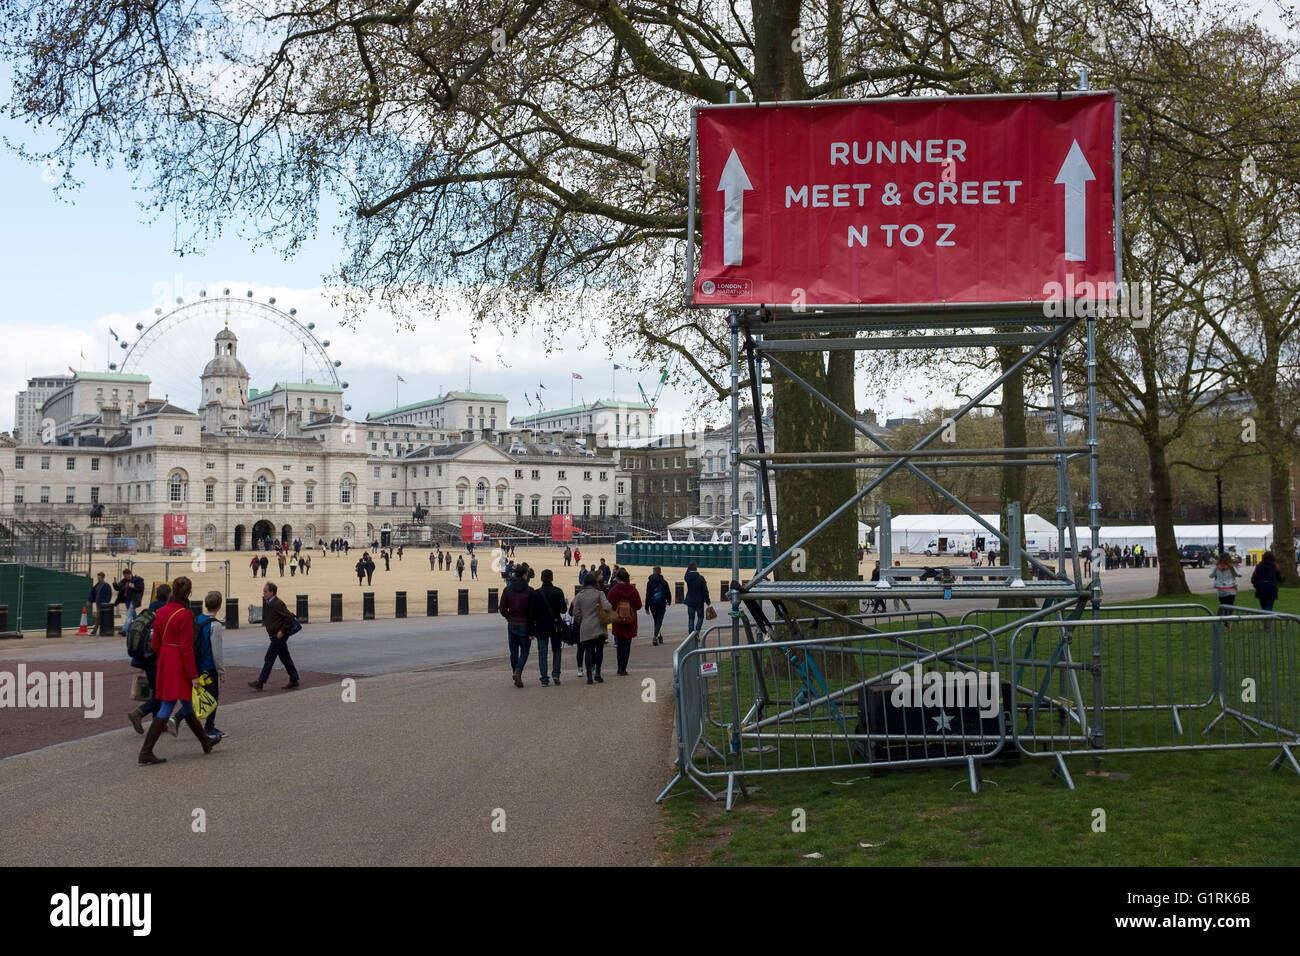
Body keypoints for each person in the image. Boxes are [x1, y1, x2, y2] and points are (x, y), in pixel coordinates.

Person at [137, 577, 222, 764]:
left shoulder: (161, 611)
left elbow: (155, 643)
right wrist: (193, 675)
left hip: (166, 660)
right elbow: (186, 648)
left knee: (187, 704)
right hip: (179, 664)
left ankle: (205, 741)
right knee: (167, 705)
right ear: (188, 593)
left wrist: (166, 654)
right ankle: (146, 751)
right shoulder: (184, 614)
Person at [125, 582, 169, 737]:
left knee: (156, 690)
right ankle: (139, 713)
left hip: (144, 657)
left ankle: (159, 722)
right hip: (155, 659)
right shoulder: (164, 611)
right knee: (162, 693)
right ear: (168, 596)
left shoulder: (148, 610)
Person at [248, 581, 301, 690]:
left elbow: (289, 618)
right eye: (264, 591)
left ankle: (261, 682)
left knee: (269, 658)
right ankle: (294, 679)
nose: (264, 593)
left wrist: (282, 631)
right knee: (285, 658)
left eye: (266, 592)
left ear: (272, 592)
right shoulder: (270, 603)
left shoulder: (277, 603)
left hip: (279, 636)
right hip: (275, 635)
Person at [193, 591, 227, 740]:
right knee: (213, 697)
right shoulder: (216, 625)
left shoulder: (198, 619)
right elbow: (217, 651)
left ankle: (178, 718)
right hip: (209, 665)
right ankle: (209, 727)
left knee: (199, 694)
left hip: (197, 664)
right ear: (219, 606)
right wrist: (221, 671)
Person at [571, 574, 613, 684]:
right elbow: (608, 607)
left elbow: (576, 612)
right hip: (599, 626)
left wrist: (582, 621)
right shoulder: (600, 594)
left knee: (588, 651)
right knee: (599, 651)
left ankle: (589, 676)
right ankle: (597, 673)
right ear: (595, 582)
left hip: (586, 626)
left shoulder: (579, 595)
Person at [531, 569, 569, 686]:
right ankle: (556, 674)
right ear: (552, 578)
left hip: (542, 626)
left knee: (542, 653)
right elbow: (563, 610)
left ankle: (544, 679)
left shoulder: (536, 593)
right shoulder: (558, 591)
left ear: (541, 578)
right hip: (555, 624)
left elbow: (532, 613)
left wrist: (532, 629)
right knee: (556, 650)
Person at [500, 566, 535, 688]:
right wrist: (532, 629)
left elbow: (502, 609)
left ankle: (516, 673)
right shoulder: (530, 591)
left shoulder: (507, 589)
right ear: (525, 575)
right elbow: (532, 613)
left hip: (512, 623)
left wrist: (508, 617)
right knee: (525, 651)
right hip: (525, 623)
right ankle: (518, 672)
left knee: (513, 652)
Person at [606, 568, 642, 676]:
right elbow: (639, 605)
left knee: (620, 644)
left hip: (618, 620)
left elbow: (609, 604)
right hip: (630, 620)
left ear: (617, 578)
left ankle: (619, 667)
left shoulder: (614, 589)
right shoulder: (633, 589)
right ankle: (624, 668)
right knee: (627, 645)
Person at [1210, 554, 1240, 631]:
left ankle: (1226, 624)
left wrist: (1213, 566)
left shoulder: (1217, 567)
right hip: (1231, 589)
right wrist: (1234, 566)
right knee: (1230, 606)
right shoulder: (1231, 567)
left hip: (1221, 590)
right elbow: (1239, 574)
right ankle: (1228, 622)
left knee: (1223, 606)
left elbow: (1211, 575)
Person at [644, 565, 671, 645]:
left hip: (653, 604)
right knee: (659, 621)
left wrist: (646, 607)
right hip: (661, 603)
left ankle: (659, 637)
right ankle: (655, 637)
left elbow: (648, 595)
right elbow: (668, 593)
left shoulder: (649, 583)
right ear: (660, 572)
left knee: (656, 621)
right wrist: (669, 601)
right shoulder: (664, 582)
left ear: (653, 572)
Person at [683, 562, 711, 634]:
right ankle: (697, 632)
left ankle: (691, 633)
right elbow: (705, 591)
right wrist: (708, 601)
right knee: (700, 617)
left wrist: (688, 569)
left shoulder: (687, 577)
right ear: (696, 569)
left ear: (689, 569)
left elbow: (685, 574)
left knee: (691, 618)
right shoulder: (701, 578)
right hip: (699, 601)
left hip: (690, 600)